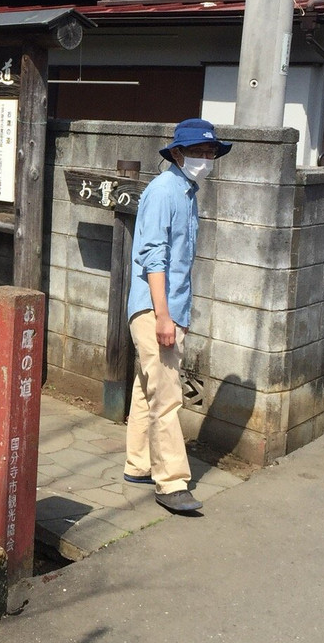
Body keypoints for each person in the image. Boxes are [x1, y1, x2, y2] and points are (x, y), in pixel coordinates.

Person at [124, 118, 231, 514]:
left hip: (167, 307)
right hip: (157, 309)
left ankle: (138, 463)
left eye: (210, 153)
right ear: (177, 153)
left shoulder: (186, 191)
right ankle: (170, 483)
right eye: (198, 152)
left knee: (147, 385)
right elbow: (154, 256)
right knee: (167, 397)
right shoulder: (164, 191)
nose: (205, 159)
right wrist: (163, 316)